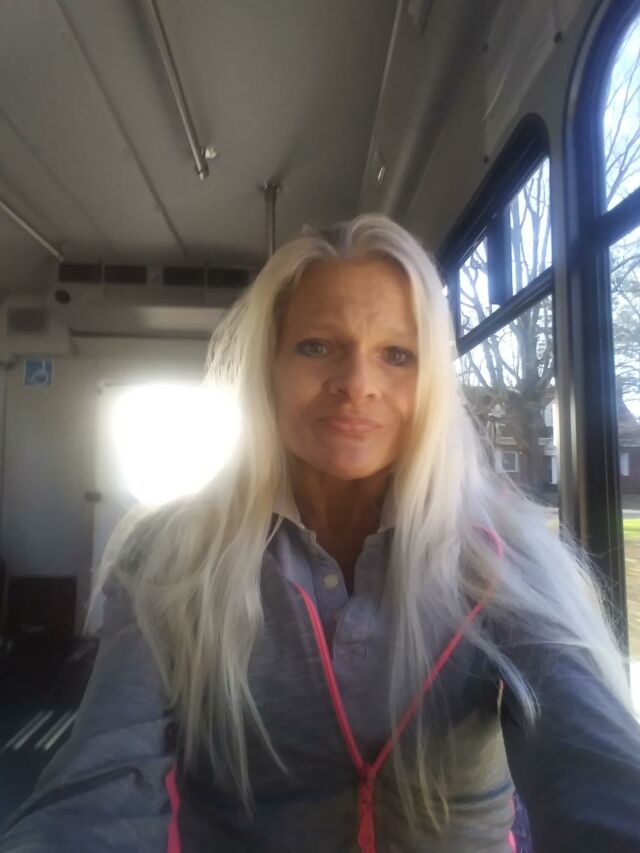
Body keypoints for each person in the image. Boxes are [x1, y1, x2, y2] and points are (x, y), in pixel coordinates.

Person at [2, 214, 640, 853]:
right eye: (316, 347)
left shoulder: (503, 553)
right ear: (268, 369)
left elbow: (594, 762)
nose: (357, 384)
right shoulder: (173, 553)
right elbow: (98, 788)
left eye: (397, 355)